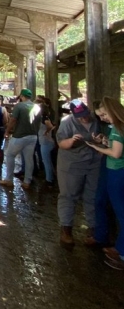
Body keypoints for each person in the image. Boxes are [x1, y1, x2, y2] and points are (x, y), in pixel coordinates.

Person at [55, 99, 101, 250]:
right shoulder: (67, 122)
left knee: (92, 196)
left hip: (93, 163)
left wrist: (99, 141)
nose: (84, 118)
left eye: (85, 114)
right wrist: (72, 141)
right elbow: (61, 143)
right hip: (71, 165)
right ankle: (66, 229)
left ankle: (93, 229)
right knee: (68, 195)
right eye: (80, 116)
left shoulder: (96, 119)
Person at [86, 97, 124, 269]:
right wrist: (104, 142)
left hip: (116, 170)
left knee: (120, 211)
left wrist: (96, 147)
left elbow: (115, 153)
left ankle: (121, 252)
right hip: (113, 169)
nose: (102, 118)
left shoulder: (116, 127)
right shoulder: (116, 127)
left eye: (103, 114)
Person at [0, 88, 41, 189]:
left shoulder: (19, 106)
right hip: (33, 135)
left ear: (22, 96)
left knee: (10, 155)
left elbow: (13, 120)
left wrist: (7, 131)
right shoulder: (37, 107)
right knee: (29, 158)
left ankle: (9, 180)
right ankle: (27, 181)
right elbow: (39, 121)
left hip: (20, 135)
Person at [38, 100, 56, 187]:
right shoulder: (45, 117)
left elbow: (51, 126)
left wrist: (46, 132)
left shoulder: (44, 118)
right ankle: (51, 176)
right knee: (48, 161)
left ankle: (49, 179)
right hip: (46, 141)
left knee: (46, 161)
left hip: (46, 142)